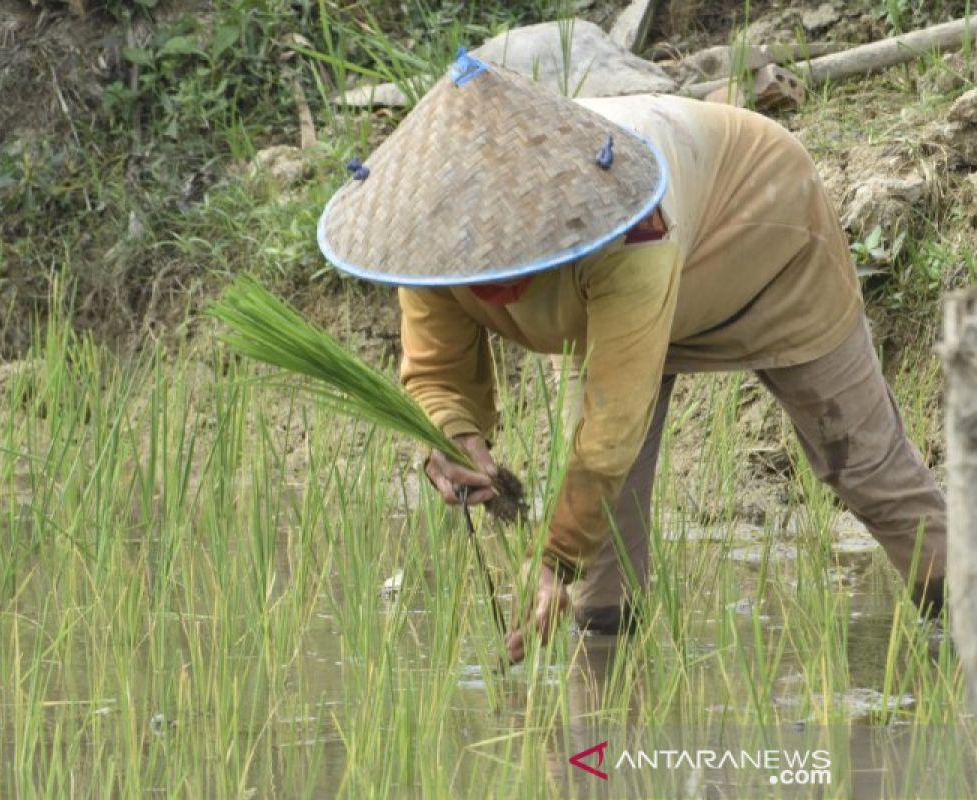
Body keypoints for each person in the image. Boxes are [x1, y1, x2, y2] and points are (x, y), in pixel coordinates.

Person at [316, 50, 946, 665]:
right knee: (606, 528)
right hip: (628, 288)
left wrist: (552, 557)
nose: (485, 275)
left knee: (861, 462)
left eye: (501, 252)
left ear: (540, 221)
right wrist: (454, 439)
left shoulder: (618, 224)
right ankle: (606, 683)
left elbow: (611, 434)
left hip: (761, 228)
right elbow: (437, 375)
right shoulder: (430, 240)